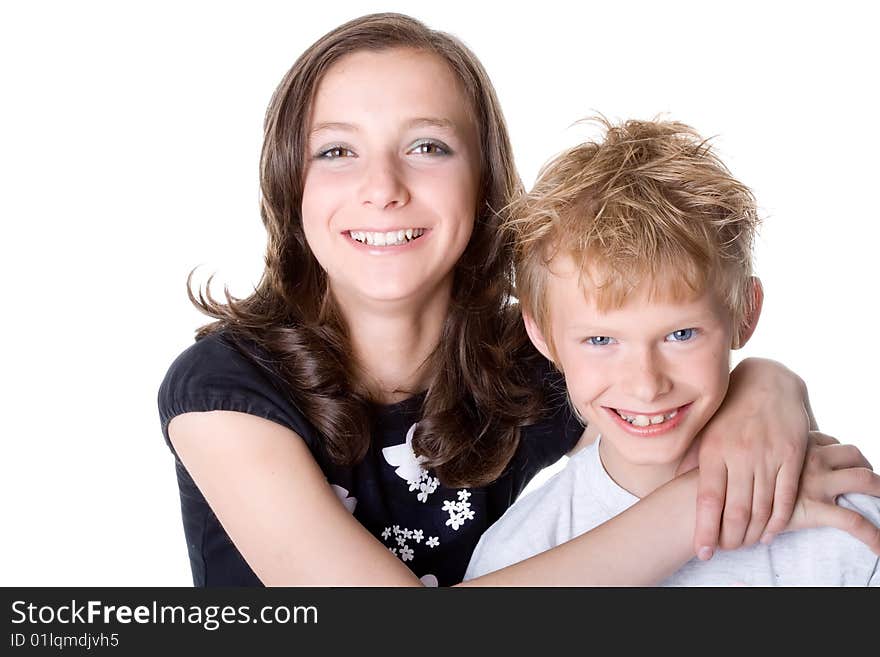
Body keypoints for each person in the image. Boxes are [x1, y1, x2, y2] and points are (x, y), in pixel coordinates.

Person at [157, 13, 880, 587]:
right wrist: (705, 506)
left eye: (429, 147)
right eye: (336, 150)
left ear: (484, 181)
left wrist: (766, 383)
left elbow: (650, 369)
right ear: (292, 182)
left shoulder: (535, 366)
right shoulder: (224, 389)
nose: (382, 187)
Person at [464, 118, 880, 585]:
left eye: (681, 335)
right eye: (601, 340)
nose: (646, 384)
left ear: (745, 313)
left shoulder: (843, 527)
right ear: (542, 337)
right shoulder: (518, 554)